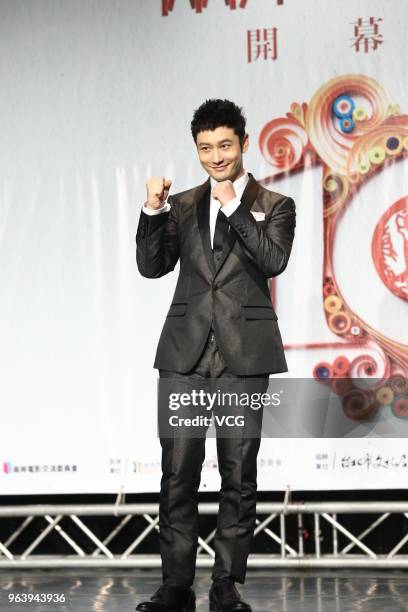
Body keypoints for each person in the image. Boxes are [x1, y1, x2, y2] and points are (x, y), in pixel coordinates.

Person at [135, 99, 296, 612]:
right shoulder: (181, 204)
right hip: (185, 357)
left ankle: (226, 584)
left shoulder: (275, 203)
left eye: (224, 146)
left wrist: (232, 206)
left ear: (244, 144)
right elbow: (151, 266)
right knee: (177, 470)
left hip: (242, 358)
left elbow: (272, 261)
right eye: (205, 149)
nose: (215, 157)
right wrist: (153, 211)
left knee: (237, 470)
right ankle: (176, 585)